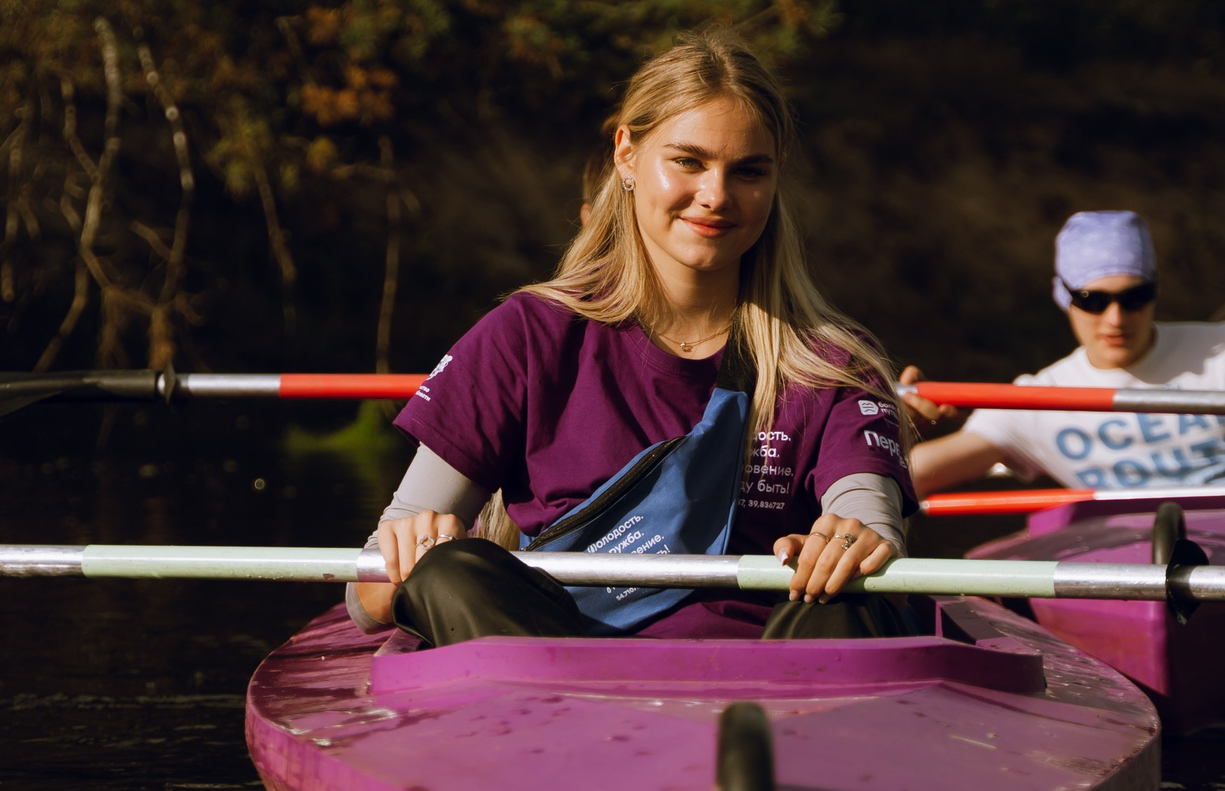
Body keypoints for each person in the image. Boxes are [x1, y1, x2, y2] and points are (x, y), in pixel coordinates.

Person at [348, 32, 918, 647]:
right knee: (452, 574)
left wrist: (855, 540)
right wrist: (410, 555)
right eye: (688, 161)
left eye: (749, 171)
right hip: (556, 681)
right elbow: (365, 596)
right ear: (626, 154)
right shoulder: (526, 335)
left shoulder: (834, 362)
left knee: (853, 592)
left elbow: (870, 518)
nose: (717, 196)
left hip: (768, 695)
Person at [900, 211, 1225, 497]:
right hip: (1128, 564)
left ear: (1155, 292)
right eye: (1093, 301)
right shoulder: (1035, 399)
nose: (1115, 319)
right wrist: (899, 427)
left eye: (1134, 297)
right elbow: (917, 472)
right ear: (1064, 298)